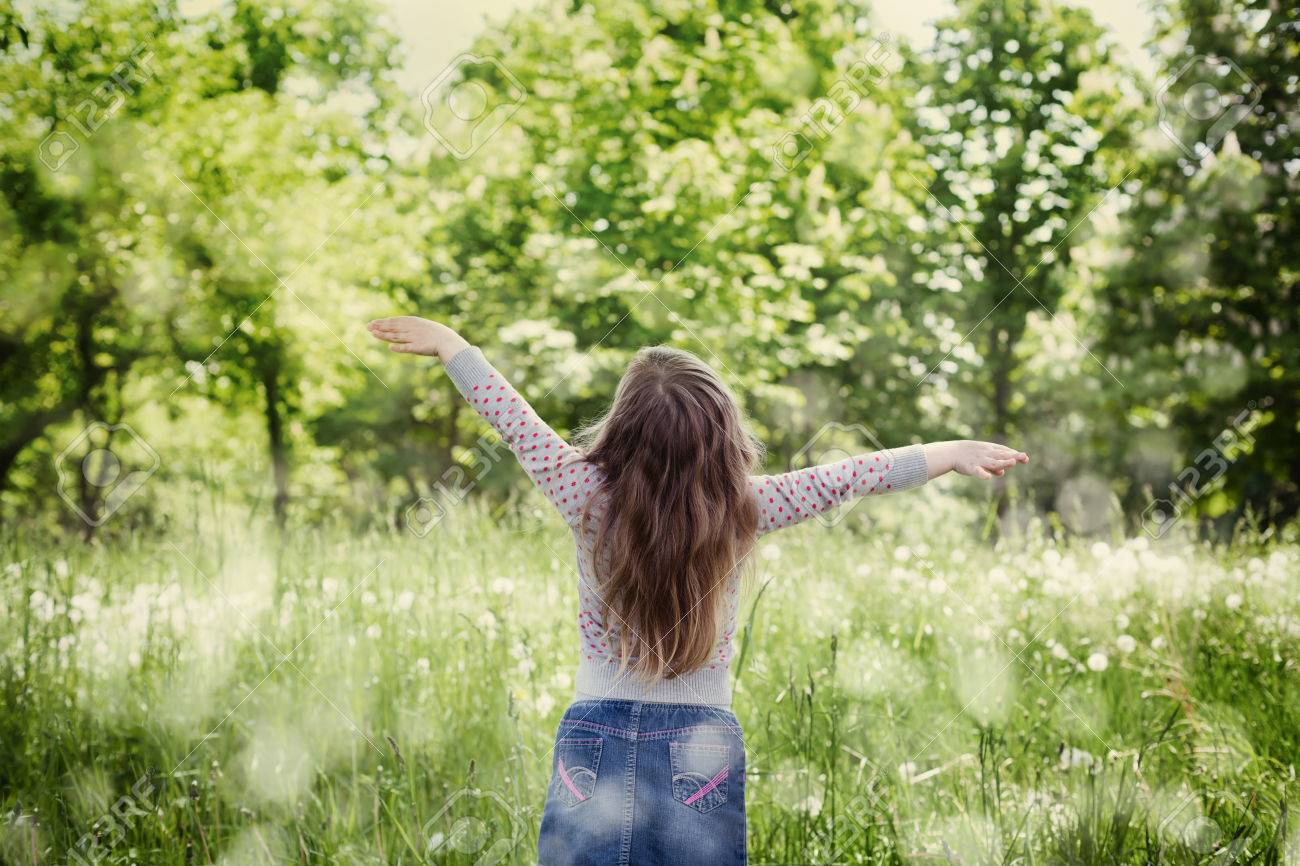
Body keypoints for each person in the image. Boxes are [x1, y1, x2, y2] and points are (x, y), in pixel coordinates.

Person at [367, 316, 1029, 866]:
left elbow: (516, 424)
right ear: (722, 437)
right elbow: (850, 476)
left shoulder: (584, 495)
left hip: (592, 732)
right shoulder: (747, 507)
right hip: (700, 740)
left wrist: (451, 345)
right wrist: (950, 450)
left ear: (620, 430)